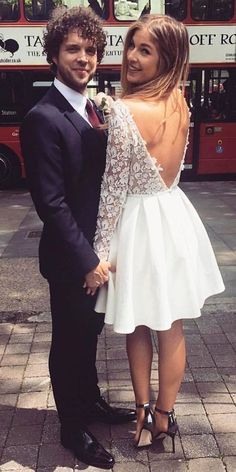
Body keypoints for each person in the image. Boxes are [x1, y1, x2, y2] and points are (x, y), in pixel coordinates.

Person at [89, 14, 225, 452]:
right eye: (131, 45)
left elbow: (112, 193)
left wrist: (99, 256)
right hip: (173, 220)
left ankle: (146, 414)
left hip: (138, 227)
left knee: (137, 326)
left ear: (166, 58)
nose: (131, 56)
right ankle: (164, 415)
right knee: (171, 324)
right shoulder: (181, 101)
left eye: (145, 50)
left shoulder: (125, 110)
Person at [20, 6, 135, 470]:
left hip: (97, 252)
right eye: (73, 49)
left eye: (90, 50)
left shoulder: (93, 108)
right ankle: (72, 427)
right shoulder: (43, 117)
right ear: (53, 55)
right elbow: (51, 203)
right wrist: (88, 259)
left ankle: (91, 403)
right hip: (72, 259)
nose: (84, 58)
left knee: (88, 335)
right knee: (69, 341)